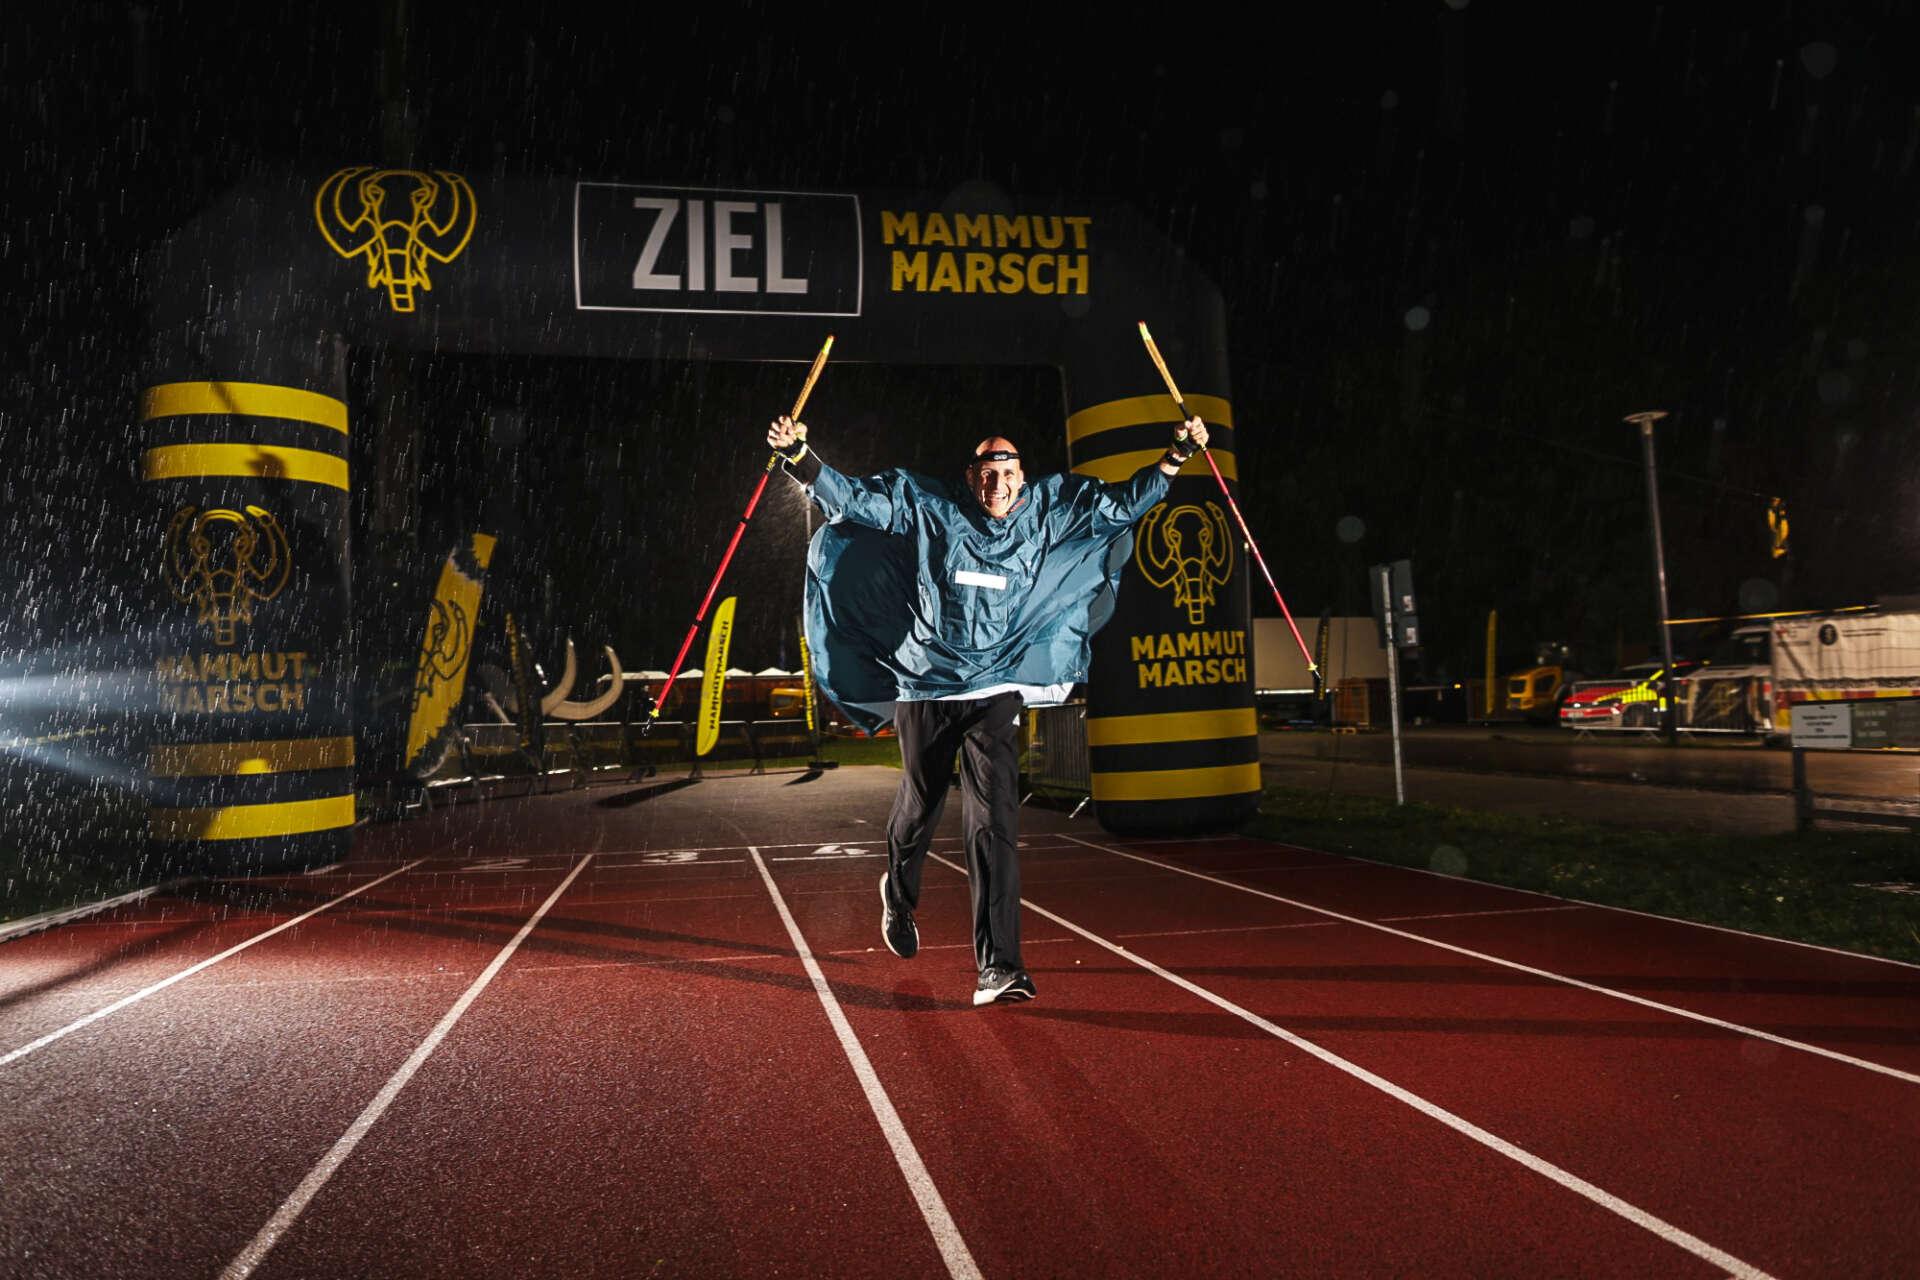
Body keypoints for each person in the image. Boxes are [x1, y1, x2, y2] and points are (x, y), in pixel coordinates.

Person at [767, 412, 1208, 1005]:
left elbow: (1120, 506)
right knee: (920, 808)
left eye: (1007, 471)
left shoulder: (1045, 513)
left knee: (995, 825)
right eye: (985, 472)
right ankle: (898, 894)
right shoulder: (929, 507)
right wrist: (803, 458)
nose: (996, 484)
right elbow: (854, 502)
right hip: (928, 687)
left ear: (1022, 478)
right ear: (969, 477)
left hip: (996, 688)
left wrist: (1175, 457)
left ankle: (999, 965)